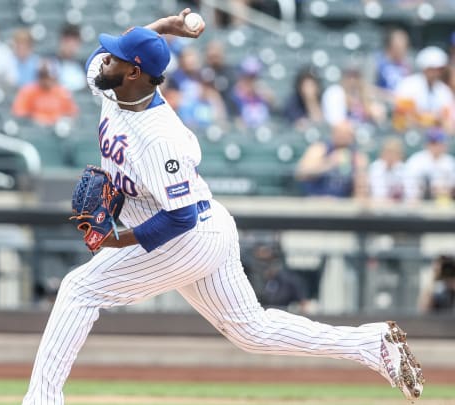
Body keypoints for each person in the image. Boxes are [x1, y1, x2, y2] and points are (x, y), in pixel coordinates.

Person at [21, 10, 424, 405]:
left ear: (133, 74)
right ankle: (372, 344)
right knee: (253, 332)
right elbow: (124, 49)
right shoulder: (113, 84)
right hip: (207, 225)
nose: (104, 57)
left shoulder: (160, 138)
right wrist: (162, 28)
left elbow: (179, 217)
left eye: (117, 56)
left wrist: (114, 241)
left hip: (188, 236)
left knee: (79, 289)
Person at [295, 120, 369, 198]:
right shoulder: (320, 149)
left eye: (348, 135)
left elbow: (361, 188)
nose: (344, 137)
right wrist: (329, 163)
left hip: (343, 203)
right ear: (334, 133)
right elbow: (301, 173)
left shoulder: (357, 156)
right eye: (341, 133)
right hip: (316, 199)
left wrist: (359, 175)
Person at [393, 46, 453, 133]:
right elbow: (404, 116)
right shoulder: (408, 84)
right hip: (410, 134)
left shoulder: (444, 91)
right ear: (424, 68)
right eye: (432, 69)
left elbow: (447, 121)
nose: (436, 73)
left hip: (436, 137)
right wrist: (431, 119)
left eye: (439, 69)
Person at [11, 59, 78, 126]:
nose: (45, 80)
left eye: (47, 76)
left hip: (56, 128)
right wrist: (33, 118)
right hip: (34, 128)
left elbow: (72, 113)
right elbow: (19, 112)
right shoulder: (28, 91)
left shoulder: (62, 92)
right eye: (42, 76)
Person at [403, 128, 455, 202]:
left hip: (445, 202)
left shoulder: (450, 162)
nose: (436, 146)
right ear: (427, 144)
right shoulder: (416, 160)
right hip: (419, 201)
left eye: (439, 143)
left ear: (445, 145)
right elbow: (408, 185)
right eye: (433, 143)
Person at [229, 56, 275, 129]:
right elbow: (236, 122)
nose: (252, 80)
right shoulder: (234, 98)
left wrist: (269, 99)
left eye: (255, 77)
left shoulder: (263, 96)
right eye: (249, 77)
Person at [374, 28, 411, 95]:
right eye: (398, 47)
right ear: (390, 46)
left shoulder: (407, 65)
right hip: (383, 102)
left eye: (405, 46)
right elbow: (367, 88)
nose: (402, 50)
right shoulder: (377, 62)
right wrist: (390, 96)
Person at [369, 137, 406, 202]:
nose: (390, 156)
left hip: (400, 208)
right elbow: (378, 194)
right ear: (382, 154)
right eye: (388, 152)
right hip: (377, 207)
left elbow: (410, 195)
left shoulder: (405, 169)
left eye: (394, 153)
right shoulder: (375, 168)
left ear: (400, 155)